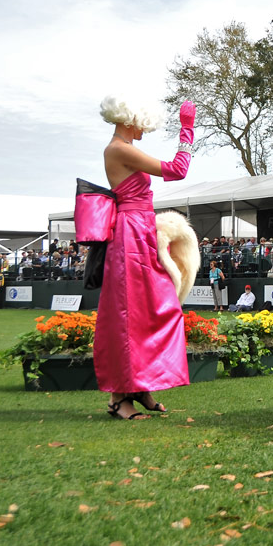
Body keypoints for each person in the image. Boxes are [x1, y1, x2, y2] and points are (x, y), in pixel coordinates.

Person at [95, 95, 198, 421]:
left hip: (140, 232)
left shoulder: (122, 149)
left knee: (154, 309)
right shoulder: (118, 149)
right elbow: (177, 170)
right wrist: (187, 131)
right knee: (129, 314)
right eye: (142, 125)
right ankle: (118, 398)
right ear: (129, 120)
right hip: (130, 236)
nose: (144, 131)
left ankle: (140, 387)